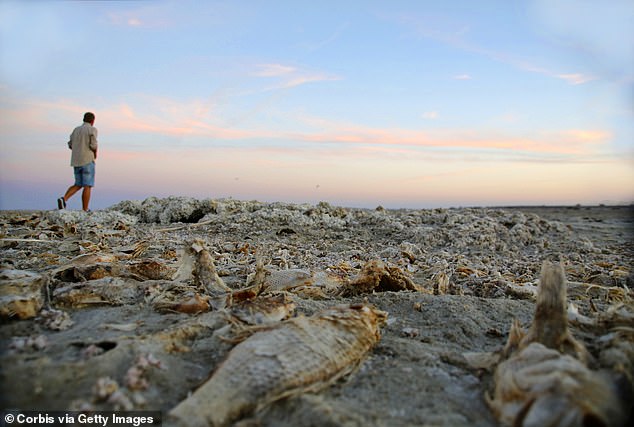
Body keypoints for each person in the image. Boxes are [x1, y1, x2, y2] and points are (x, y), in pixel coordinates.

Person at [57, 112, 98, 211]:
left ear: (84, 119)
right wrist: (95, 153)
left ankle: (64, 199)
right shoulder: (92, 130)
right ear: (93, 121)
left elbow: (70, 144)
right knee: (87, 185)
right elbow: (93, 145)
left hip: (76, 160)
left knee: (78, 184)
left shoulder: (76, 130)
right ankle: (85, 209)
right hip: (87, 160)